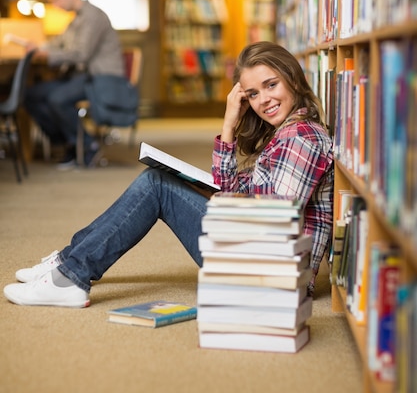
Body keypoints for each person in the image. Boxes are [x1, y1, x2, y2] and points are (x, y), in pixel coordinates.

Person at [4, 41, 334, 308]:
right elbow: (229, 186)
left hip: (269, 274)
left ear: (293, 77)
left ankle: (70, 274)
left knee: (156, 184)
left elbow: (273, 219)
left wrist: (224, 201)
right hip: (256, 257)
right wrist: (229, 125)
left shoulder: (302, 137)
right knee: (160, 180)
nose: (263, 100)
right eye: (252, 94)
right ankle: (69, 261)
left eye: (270, 85)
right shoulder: (287, 133)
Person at [24, 0, 125, 168]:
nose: (55, 4)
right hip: (81, 77)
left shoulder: (93, 16)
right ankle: (68, 144)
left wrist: (46, 56)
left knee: (57, 98)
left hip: (101, 77)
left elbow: (81, 54)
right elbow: (58, 43)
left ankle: (88, 146)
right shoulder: (76, 20)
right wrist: (40, 48)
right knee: (31, 95)